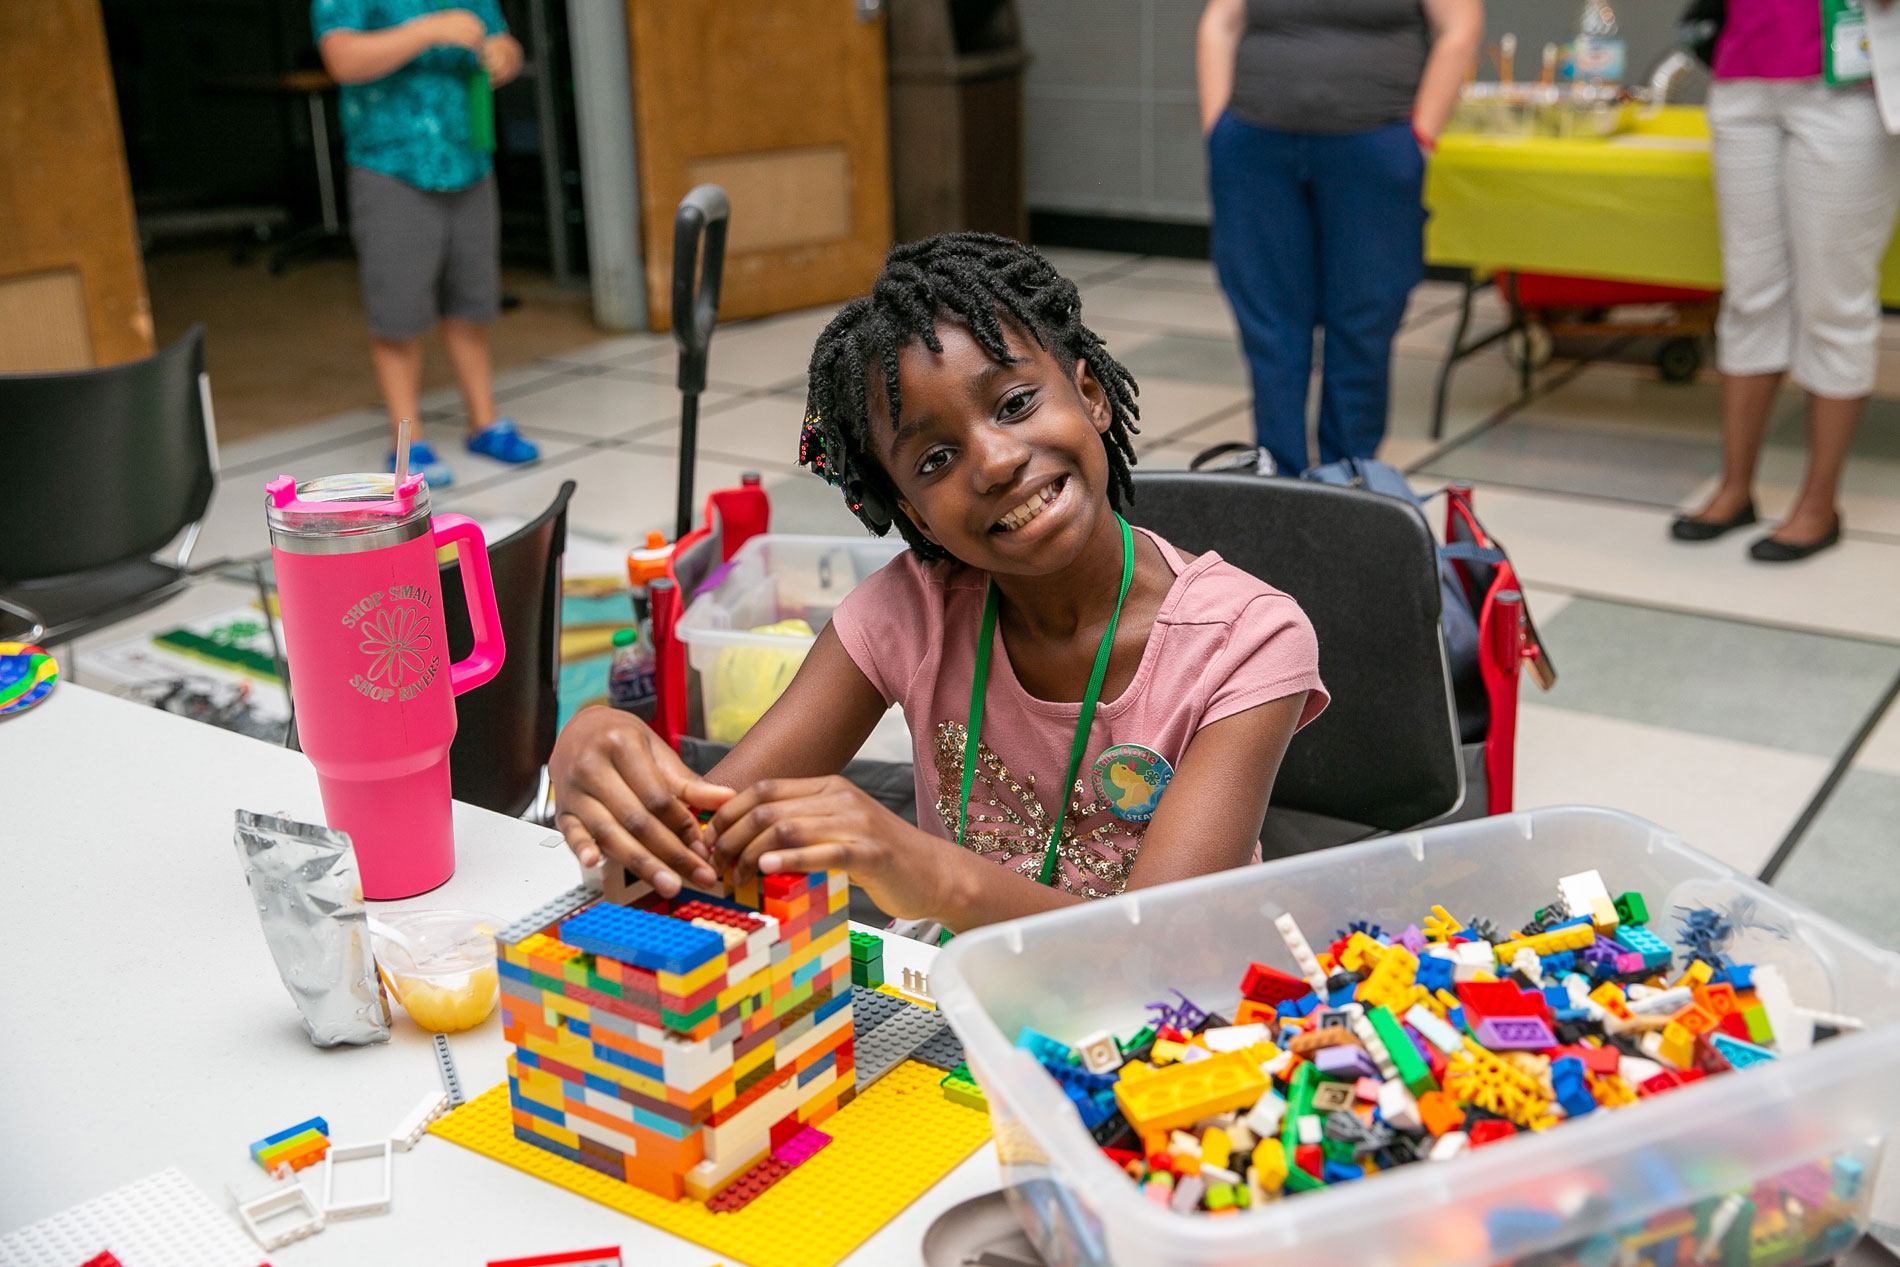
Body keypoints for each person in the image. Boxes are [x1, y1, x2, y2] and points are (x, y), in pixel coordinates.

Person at [549, 235, 1328, 931]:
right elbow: (687, 860)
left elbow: (1160, 944)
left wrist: (927, 871)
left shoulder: (1247, 640)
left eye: (1016, 403)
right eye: (933, 461)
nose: (994, 460)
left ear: (1090, 395)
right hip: (965, 1000)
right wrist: (591, 751)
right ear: (915, 518)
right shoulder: (908, 612)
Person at [1197, 0, 1483, 475]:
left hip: (1374, 142)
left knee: (1366, 314)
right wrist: (1217, 129)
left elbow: (1460, 28)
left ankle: (1350, 475)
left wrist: (1421, 138)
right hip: (1254, 142)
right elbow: (1221, 21)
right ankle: (1277, 471)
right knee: (1267, 318)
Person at [1669, 0, 1900, 561]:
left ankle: (1819, 504)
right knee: (1750, 295)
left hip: (1847, 82)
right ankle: (1734, 488)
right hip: (1743, 77)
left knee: (1833, 301)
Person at [313, 0, 540, 487]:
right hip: (390, 167)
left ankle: (484, 422)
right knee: (398, 315)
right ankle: (407, 443)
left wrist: (503, 54)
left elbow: (501, 40)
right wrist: (431, 30)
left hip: (468, 161)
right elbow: (343, 60)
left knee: (471, 305)